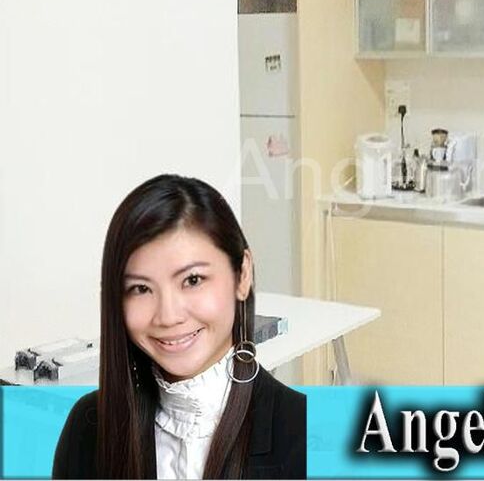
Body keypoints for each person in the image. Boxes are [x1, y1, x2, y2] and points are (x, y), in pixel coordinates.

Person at [53, 174, 307, 479]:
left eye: (193, 280)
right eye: (141, 289)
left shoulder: (304, 435)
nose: (168, 316)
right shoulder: (88, 427)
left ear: (242, 275)